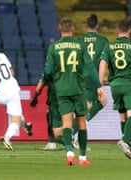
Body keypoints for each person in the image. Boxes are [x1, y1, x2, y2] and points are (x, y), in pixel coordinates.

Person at [44, 17, 104, 166]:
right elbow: (90, 68)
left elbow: (48, 71)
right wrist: (99, 86)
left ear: (59, 30)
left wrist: (52, 79)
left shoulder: (53, 47)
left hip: (62, 90)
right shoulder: (79, 45)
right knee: (82, 123)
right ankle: (82, 158)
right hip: (78, 88)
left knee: (66, 123)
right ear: (73, 29)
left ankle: (69, 153)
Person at [99, 18, 131, 159]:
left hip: (115, 85)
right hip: (128, 84)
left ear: (117, 31)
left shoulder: (109, 46)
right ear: (130, 31)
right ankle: (125, 140)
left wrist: (100, 84)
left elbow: (102, 64)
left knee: (123, 117)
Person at [72, 14, 108, 147]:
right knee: (88, 108)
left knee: (100, 103)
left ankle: (74, 134)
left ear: (86, 25)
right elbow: (103, 63)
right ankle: (73, 135)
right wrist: (101, 82)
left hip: (80, 77)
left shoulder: (79, 41)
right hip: (93, 79)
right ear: (97, 26)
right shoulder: (103, 41)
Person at [30, 77, 63, 150]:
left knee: (57, 132)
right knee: (49, 115)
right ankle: (51, 142)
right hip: (71, 97)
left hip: (56, 100)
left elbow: (39, 88)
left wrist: (35, 98)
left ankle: (71, 141)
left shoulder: (50, 68)